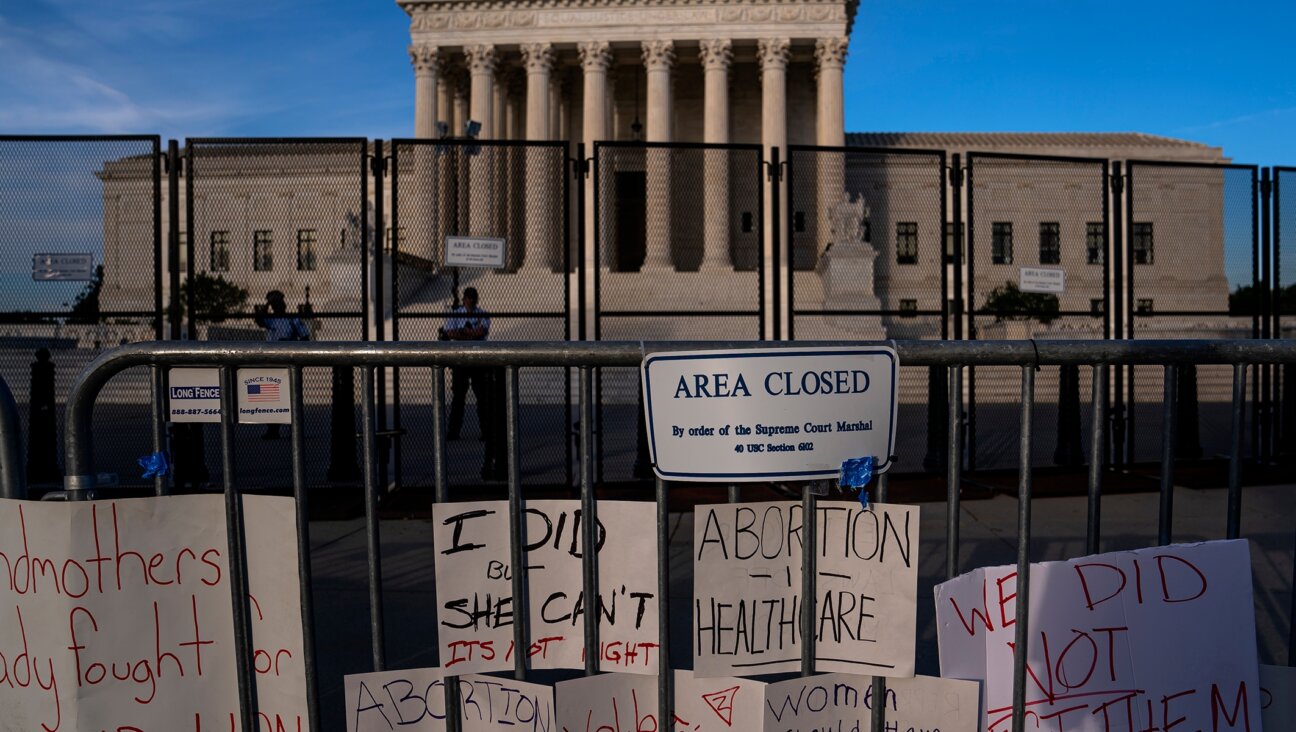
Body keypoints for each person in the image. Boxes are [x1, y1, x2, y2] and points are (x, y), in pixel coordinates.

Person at [442, 287, 505, 480]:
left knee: (482, 397)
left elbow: (481, 331)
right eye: (468, 299)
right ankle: (454, 431)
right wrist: (469, 333)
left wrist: (463, 333)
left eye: (472, 299)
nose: (470, 302)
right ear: (464, 300)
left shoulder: (482, 314)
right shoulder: (455, 314)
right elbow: (450, 333)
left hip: (478, 359)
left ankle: (485, 431)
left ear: (476, 300)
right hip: (461, 359)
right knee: (458, 397)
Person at [254, 290, 310, 438]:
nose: (276, 306)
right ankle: (273, 429)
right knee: (272, 398)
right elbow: (259, 320)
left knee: (291, 397)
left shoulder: (292, 319)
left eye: (278, 303)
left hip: (288, 363)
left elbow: (305, 337)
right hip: (272, 362)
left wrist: (291, 345)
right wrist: (267, 303)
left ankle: (294, 429)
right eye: (274, 304)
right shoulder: (271, 319)